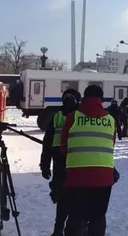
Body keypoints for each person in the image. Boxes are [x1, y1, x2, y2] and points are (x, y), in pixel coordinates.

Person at [61, 85, 116, 236]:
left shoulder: (73, 117)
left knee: (76, 215)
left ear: (84, 98)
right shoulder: (110, 120)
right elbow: (111, 144)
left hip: (76, 176)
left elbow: (63, 145)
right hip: (104, 177)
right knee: (98, 217)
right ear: (101, 99)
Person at [40, 88, 81, 236]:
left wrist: (44, 165)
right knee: (74, 197)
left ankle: (59, 229)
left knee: (63, 197)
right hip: (75, 161)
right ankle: (70, 229)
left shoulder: (56, 116)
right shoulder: (80, 116)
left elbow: (47, 142)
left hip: (60, 161)